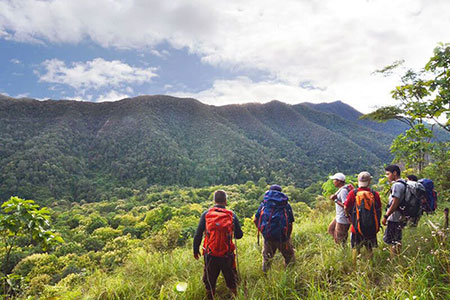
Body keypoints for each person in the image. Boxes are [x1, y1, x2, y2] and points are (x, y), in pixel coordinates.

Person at [193, 190, 243, 299]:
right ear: (225, 201)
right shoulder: (231, 215)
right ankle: (235, 296)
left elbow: (198, 234)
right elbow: (239, 235)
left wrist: (195, 250)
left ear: (214, 201)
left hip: (210, 254)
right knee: (231, 280)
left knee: (210, 282)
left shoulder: (206, 214)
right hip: (227, 255)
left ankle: (211, 297)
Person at [254, 184, 295, 272]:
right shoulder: (285, 205)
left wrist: (263, 231)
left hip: (268, 237)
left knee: (267, 260)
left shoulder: (264, 204)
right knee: (290, 258)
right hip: (283, 237)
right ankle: (288, 275)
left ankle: (265, 277)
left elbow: (255, 220)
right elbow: (290, 222)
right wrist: (287, 237)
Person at [344, 171, 381, 263]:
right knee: (369, 248)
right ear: (369, 181)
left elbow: (346, 207)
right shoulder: (374, 193)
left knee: (355, 248)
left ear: (358, 181)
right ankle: (370, 265)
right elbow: (379, 208)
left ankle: (355, 266)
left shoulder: (353, 193)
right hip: (371, 226)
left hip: (356, 227)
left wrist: (349, 217)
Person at [383, 165, 406, 258]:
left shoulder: (397, 185)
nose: (387, 176)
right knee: (397, 239)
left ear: (395, 173)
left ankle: (394, 260)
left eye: (388, 174)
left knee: (392, 241)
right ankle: (398, 259)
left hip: (394, 217)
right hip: (401, 216)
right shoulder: (404, 183)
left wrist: (386, 216)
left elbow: (395, 203)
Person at [327, 173, 351, 245]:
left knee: (340, 238)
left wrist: (335, 200)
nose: (333, 181)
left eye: (334, 180)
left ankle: (342, 250)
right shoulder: (341, 190)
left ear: (339, 181)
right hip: (339, 216)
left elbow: (345, 206)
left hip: (343, 217)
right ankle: (339, 243)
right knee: (331, 230)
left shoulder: (343, 191)